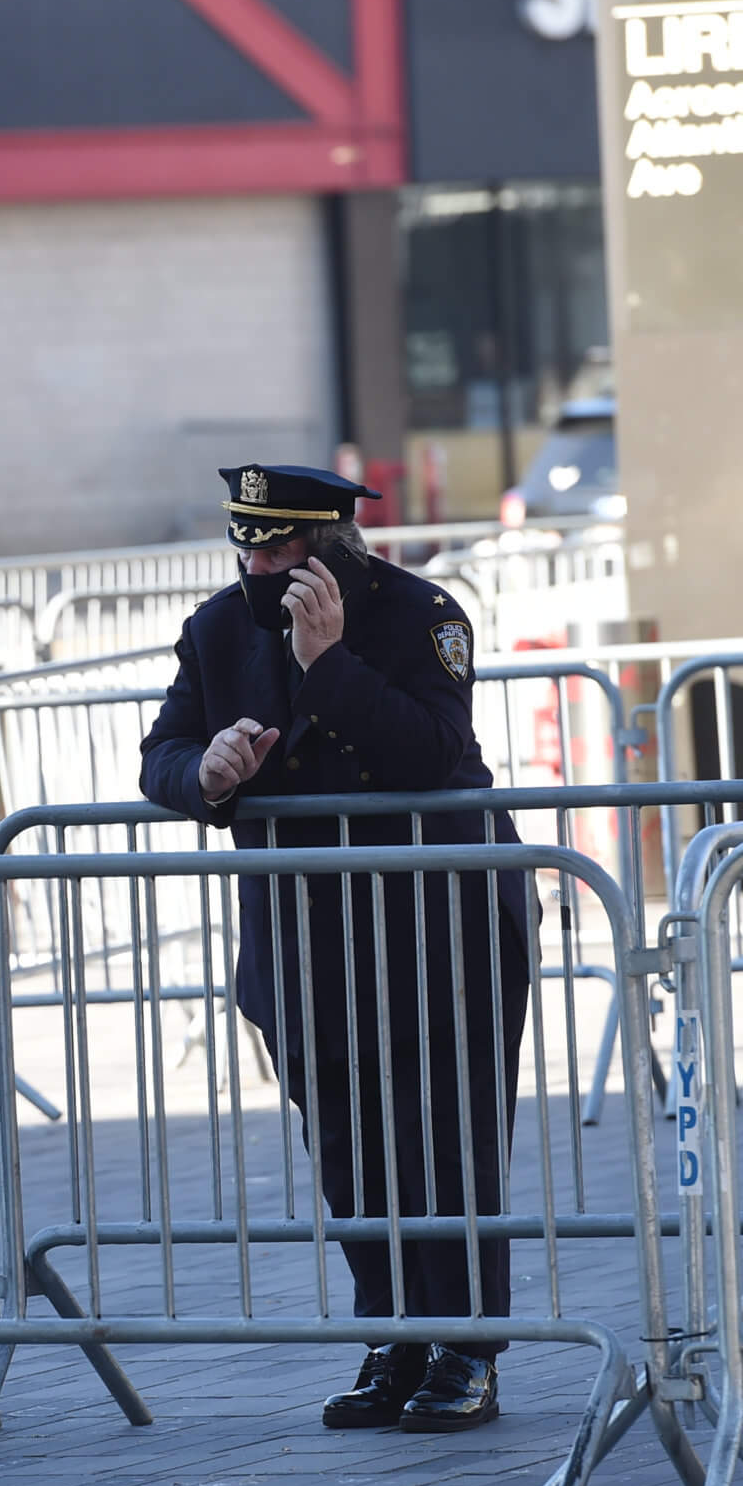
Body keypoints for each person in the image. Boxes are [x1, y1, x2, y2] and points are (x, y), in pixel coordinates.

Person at [139, 462, 530, 1433]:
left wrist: (329, 667)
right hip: (310, 931)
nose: (259, 564)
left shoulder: (415, 615)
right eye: (248, 545)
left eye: (278, 547)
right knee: (350, 1151)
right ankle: (394, 1333)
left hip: (434, 925)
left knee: (444, 1142)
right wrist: (208, 772)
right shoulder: (220, 628)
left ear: (329, 546)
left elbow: (429, 754)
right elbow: (162, 755)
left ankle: (466, 1348)